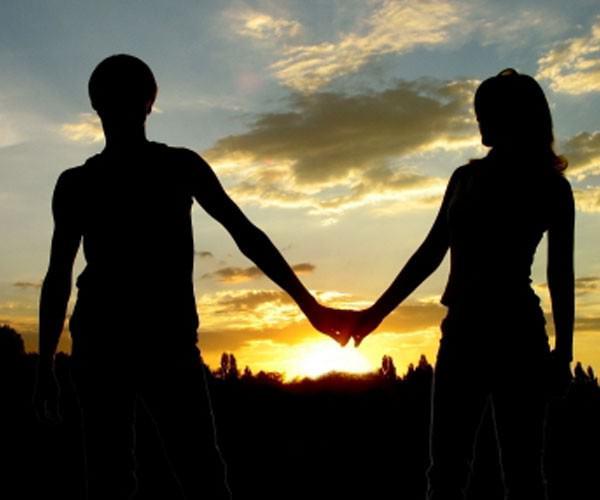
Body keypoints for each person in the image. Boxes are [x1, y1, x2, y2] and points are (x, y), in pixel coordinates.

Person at [33, 54, 350, 500]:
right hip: (131, 342)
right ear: (150, 103)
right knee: (182, 476)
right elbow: (58, 277)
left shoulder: (108, 178)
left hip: (139, 342)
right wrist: (45, 364)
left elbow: (58, 277)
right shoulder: (151, 171)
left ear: (99, 103)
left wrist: (46, 364)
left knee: (147, 476)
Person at [351, 69, 574, 500]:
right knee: (446, 472)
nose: (478, 121)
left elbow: (560, 274)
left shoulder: (551, 187)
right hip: (461, 333)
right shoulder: (464, 178)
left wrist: (563, 354)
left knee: (524, 475)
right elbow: (430, 252)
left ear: (513, 117)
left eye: (485, 113)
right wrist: (375, 314)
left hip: (518, 334)